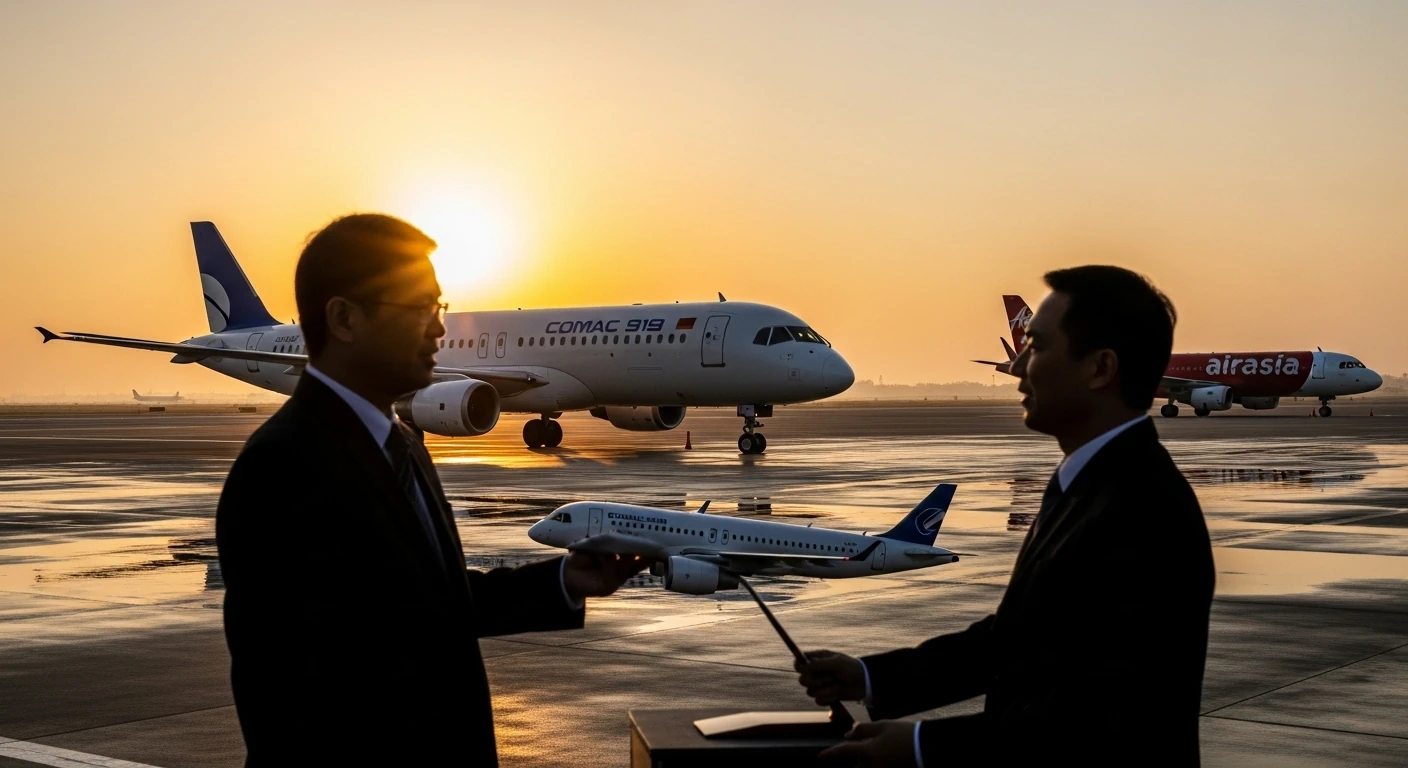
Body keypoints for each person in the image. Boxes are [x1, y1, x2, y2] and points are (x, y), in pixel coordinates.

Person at [216, 214, 646, 765]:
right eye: (418, 309)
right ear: (344, 319)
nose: (440, 330)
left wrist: (564, 579)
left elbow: (421, 600)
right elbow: (285, 688)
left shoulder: (400, 443)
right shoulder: (281, 468)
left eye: (437, 308)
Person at [797, 265, 1214, 766]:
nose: (1017, 366)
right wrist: (870, 676)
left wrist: (918, 747)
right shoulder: (1087, 481)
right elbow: (1017, 638)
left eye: (1036, 346)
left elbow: (1097, 721)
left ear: (1100, 369)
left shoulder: (1145, 512)